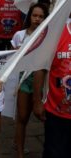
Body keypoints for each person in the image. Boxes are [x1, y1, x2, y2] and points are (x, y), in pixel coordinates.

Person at [12, 3, 48, 158]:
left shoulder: (49, 36)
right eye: (35, 15)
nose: (37, 19)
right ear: (29, 17)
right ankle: (19, 151)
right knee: (22, 117)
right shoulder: (19, 36)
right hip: (24, 81)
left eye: (41, 16)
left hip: (44, 81)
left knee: (46, 117)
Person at [33, 14, 71, 158]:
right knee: (54, 153)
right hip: (56, 112)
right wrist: (37, 101)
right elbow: (40, 68)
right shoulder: (56, 34)